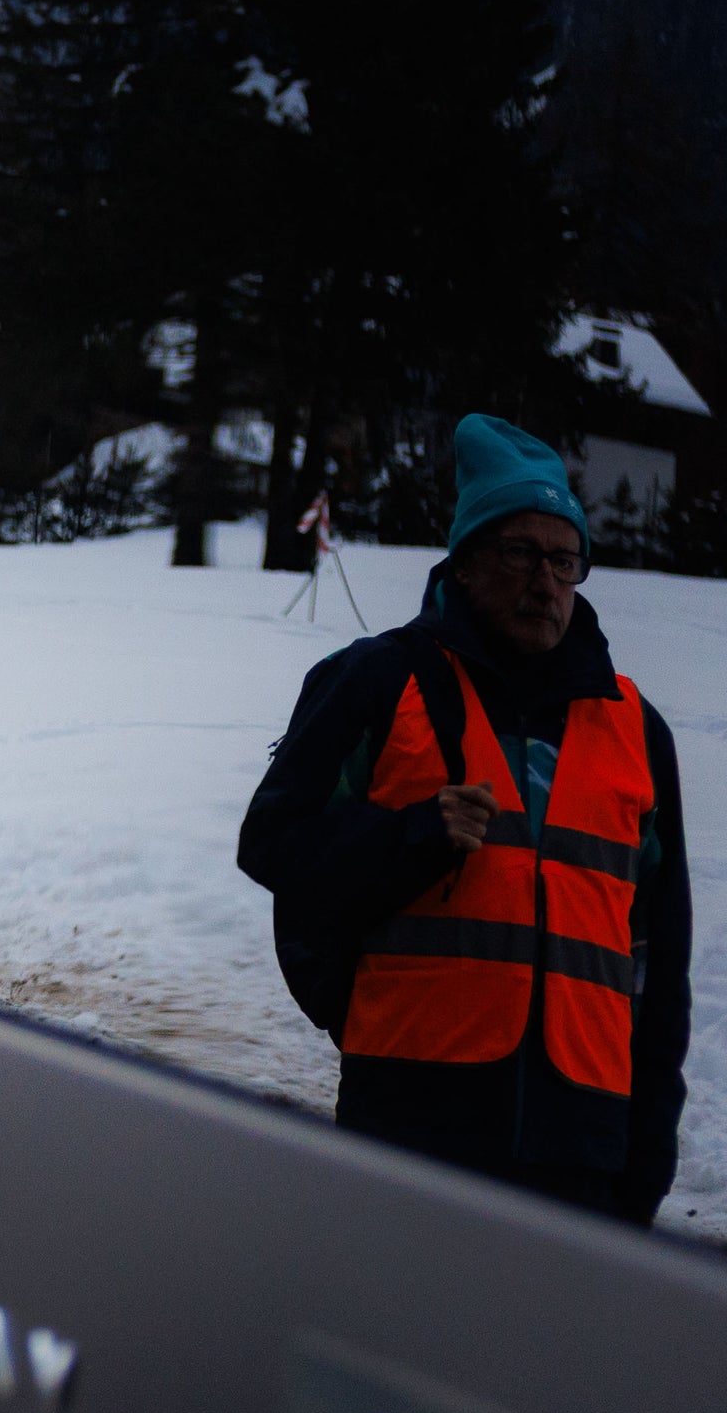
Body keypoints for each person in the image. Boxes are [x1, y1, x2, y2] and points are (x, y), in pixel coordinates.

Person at [240, 415, 691, 1224]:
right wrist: (410, 837)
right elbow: (274, 843)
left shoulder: (637, 729)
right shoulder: (377, 682)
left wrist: (646, 1154)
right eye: (521, 553)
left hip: (583, 1150)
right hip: (410, 1129)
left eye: (565, 560)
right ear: (469, 559)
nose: (545, 581)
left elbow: (659, 967)